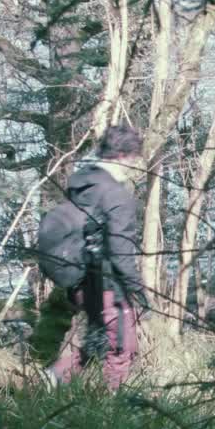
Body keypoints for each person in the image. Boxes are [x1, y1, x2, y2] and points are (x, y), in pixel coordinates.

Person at [46, 125, 148, 391]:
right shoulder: (115, 194)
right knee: (121, 348)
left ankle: (52, 379)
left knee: (96, 342)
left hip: (80, 282)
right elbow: (120, 250)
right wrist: (137, 290)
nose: (136, 164)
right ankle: (113, 415)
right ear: (124, 155)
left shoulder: (81, 183)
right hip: (108, 285)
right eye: (135, 157)